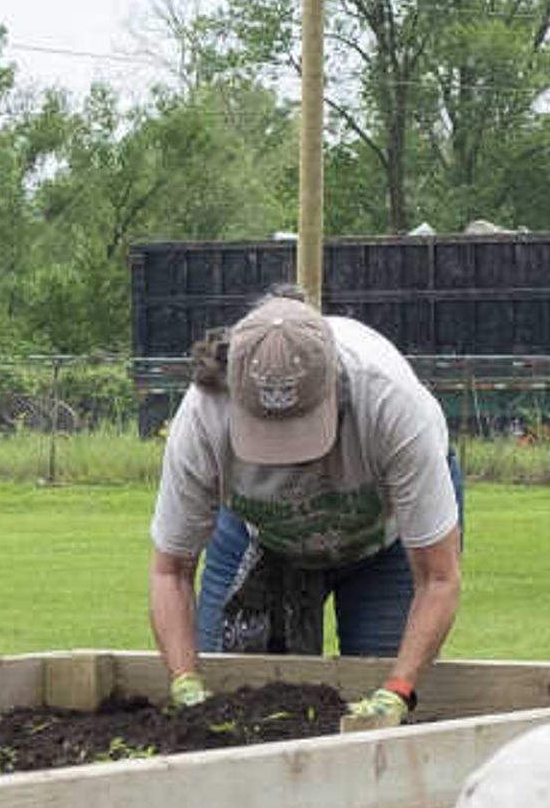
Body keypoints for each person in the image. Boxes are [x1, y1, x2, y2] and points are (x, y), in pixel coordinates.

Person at [148, 295, 464, 731]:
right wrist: (185, 685)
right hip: (258, 534)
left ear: (335, 387)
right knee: (234, 705)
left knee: (383, 711)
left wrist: (398, 690)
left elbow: (438, 578)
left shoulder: (390, 403)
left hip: (384, 540)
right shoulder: (203, 416)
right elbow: (171, 571)